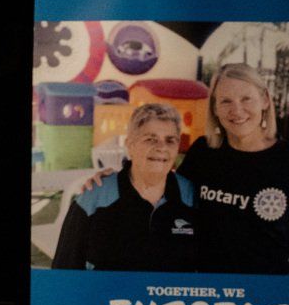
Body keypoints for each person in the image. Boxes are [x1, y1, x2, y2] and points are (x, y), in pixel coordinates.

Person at [52, 103, 198, 271]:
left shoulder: (190, 195)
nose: (162, 148)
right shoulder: (94, 198)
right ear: (130, 145)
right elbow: (64, 271)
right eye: (151, 139)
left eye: (170, 140)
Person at [179, 63, 288, 273]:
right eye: (226, 101)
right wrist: (112, 180)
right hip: (210, 291)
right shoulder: (203, 152)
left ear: (265, 100)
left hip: (269, 295)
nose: (237, 110)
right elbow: (162, 197)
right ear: (215, 108)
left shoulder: (284, 158)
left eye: (246, 99)